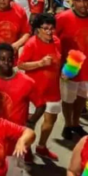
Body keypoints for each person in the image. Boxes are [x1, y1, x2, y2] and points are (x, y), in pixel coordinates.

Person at [0, 43, 41, 176]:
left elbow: (41, 105)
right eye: (2, 59)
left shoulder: (27, 82)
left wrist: (30, 124)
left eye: (10, 59)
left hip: (15, 144)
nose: (7, 63)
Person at [18, 13, 62, 160]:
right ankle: (27, 147)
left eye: (51, 28)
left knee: (50, 122)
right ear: (37, 30)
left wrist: (64, 72)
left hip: (53, 90)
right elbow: (21, 64)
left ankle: (41, 147)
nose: (49, 31)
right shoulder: (31, 43)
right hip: (34, 92)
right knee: (31, 122)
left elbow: (58, 60)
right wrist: (40, 63)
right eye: (45, 28)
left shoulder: (56, 41)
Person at [55, 0, 88, 140]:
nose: (83, 5)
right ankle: (68, 124)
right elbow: (52, 38)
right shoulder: (63, 17)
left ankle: (75, 123)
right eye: (79, 1)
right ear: (73, 2)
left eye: (85, 1)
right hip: (69, 67)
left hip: (87, 68)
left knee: (82, 97)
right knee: (68, 99)